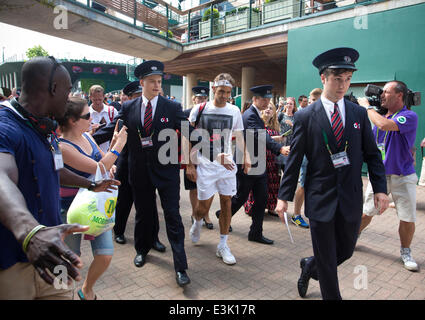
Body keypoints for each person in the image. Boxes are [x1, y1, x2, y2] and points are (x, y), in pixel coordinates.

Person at [0, 56, 119, 300]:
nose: (70, 97)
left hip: (54, 253)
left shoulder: (46, 127)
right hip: (12, 262)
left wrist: (91, 184)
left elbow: (54, 169)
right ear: (53, 89)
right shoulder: (5, 126)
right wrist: (31, 234)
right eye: (67, 91)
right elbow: (2, 177)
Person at [275, 47, 389, 300]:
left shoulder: (359, 114)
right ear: (323, 78)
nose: (343, 85)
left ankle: (309, 265)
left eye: (347, 79)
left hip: (349, 197)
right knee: (328, 261)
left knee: (346, 251)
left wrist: (380, 188)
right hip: (320, 196)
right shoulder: (306, 116)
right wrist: (284, 197)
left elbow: (372, 155)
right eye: (338, 79)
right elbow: (294, 160)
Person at [96, 60, 192, 287]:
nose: (157, 85)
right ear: (142, 83)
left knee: (173, 217)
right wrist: (85, 137)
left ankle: (181, 267)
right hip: (139, 171)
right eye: (152, 82)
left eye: (159, 81)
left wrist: (213, 152)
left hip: (167, 171)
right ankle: (141, 250)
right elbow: (114, 129)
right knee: (143, 214)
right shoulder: (129, 107)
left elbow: (190, 130)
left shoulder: (171, 107)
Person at [57, 97, 128, 300]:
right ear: (72, 120)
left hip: (96, 204)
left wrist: (111, 156)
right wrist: (119, 146)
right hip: (70, 208)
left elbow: (101, 160)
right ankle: (58, 293)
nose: (92, 118)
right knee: (69, 258)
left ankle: (86, 290)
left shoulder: (87, 137)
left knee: (105, 255)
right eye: (87, 115)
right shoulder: (63, 146)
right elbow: (98, 167)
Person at [96, 81, 166, 253]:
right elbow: (109, 130)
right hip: (127, 163)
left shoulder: (157, 110)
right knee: (124, 200)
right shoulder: (127, 111)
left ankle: (153, 238)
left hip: (148, 165)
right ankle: (118, 230)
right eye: (136, 97)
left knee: (150, 205)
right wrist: (88, 140)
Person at [186, 73, 249, 265]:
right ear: (213, 89)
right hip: (205, 163)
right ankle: (197, 221)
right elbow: (187, 137)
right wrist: (189, 164)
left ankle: (223, 245)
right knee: (203, 206)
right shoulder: (199, 109)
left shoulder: (234, 110)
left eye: (228, 92)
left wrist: (246, 157)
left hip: (227, 164)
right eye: (221, 91)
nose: (225, 96)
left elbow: (239, 136)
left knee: (227, 201)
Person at [357, 80, 419, 271]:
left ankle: (406, 251)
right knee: (367, 212)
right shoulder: (382, 116)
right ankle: (352, 237)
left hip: (403, 176)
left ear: (399, 95)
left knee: (407, 217)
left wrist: (367, 108)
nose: (381, 95)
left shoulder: (408, 115)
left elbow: (384, 125)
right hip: (380, 176)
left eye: (386, 92)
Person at [216, 85, 289, 246]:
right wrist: (279, 148)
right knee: (240, 197)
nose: (267, 102)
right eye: (264, 99)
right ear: (255, 99)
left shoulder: (256, 115)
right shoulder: (250, 115)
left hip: (258, 164)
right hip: (246, 164)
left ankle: (255, 233)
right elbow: (259, 135)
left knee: (261, 199)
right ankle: (223, 215)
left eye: (269, 99)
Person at [244, 101, 284, 217]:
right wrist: (274, 138)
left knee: (273, 183)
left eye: (271, 108)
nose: (268, 110)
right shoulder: (256, 122)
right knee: (257, 185)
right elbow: (255, 138)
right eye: (266, 107)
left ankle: (271, 207)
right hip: (258, 158)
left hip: (272, 159)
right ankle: (253, 207)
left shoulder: (275, 126)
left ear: (274, 113)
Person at [291, 89, 323, 229]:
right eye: (310, 101)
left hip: (320, 158)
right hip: (306, 157)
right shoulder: (304, 116)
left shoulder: (325, 115)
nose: (310, 103)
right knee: (303, 185)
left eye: (312, 101)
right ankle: (296, 215)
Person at [184, 86, 214, 230]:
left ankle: (206, 214)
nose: (201, 100)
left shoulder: (210, 114)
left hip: (208, 154)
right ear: (193, 99)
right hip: (192, 154)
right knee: (194, 187)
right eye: (198, 98)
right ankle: (194, 212)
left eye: (203, 98)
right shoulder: (185, 114)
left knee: (208, 186)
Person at [88, 85, 118, 153]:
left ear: (104, 97)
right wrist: (91, 132)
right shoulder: (86, 113)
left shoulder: (112, 111)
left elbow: (118, 130)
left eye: (100, 99)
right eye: (95, 100)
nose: (98, 102)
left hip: (110, 151)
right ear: (90, 97)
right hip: (91, 152)